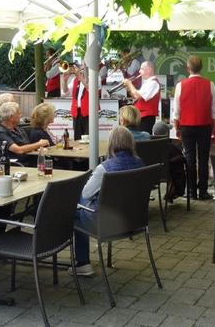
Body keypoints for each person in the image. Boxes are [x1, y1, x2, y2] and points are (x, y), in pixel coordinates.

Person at [71, 126, 145, 276]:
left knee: (75, 206)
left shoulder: (104, 168)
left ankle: (83, 263)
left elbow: (86, 194)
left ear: (111, 143)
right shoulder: (140, 163)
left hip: (105, 223)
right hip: (133, 220)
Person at [172, 55, 215, 201]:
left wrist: (176, 126)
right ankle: (203, 191)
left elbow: (176, 110)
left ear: (188, 68)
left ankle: (191, 191)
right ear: (201, 68)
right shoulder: (210, 84)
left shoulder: (180, 85)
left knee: (189, 158)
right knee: (203, 158)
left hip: (186, 125)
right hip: (205, 125)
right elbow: (214, 109)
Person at [61, 63, 100, 140]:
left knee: (90, 138)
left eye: (83, 65)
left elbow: (92, 90)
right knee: (77, 137)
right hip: (77, 113)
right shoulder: (74, 80)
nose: (81, 67)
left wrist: (80, 77)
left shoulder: (96, 78)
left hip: (90, 113)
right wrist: (64, 81)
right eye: (81, 65)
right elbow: (65, 92)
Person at [123, 61, 160, 134]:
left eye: (142, 69)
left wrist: (130, 84)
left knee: (143, 138)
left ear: (149, 70)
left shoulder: (153, 83)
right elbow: (136, 97)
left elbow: (137, 96)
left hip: (146, 118)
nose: (139, 71)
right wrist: (129, 89)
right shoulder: (148, 82)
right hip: (141, 116)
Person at [152, 120, 186, 201]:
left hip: (152, 174)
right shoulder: (172, 148)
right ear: (167, 133)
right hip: (167, 175)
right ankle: (175, 190)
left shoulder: (150, 147)